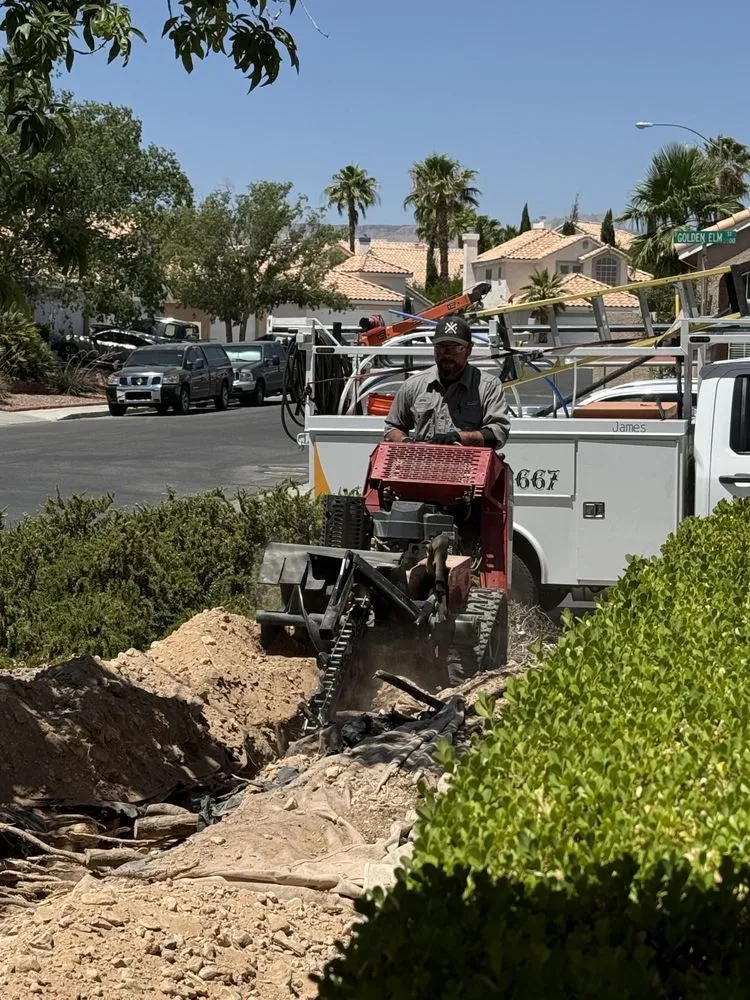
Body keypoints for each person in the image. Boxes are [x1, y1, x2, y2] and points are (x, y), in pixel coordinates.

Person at [383, 314, 510, 453]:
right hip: (423, 467)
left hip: (470, 469)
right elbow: (392, 427)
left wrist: (459, 437)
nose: (447, 355)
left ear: (469, 349)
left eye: (456, 348)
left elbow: (498, 432)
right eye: (441, 348)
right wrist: (406, 442)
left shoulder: (489, 386)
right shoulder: (413, 385)